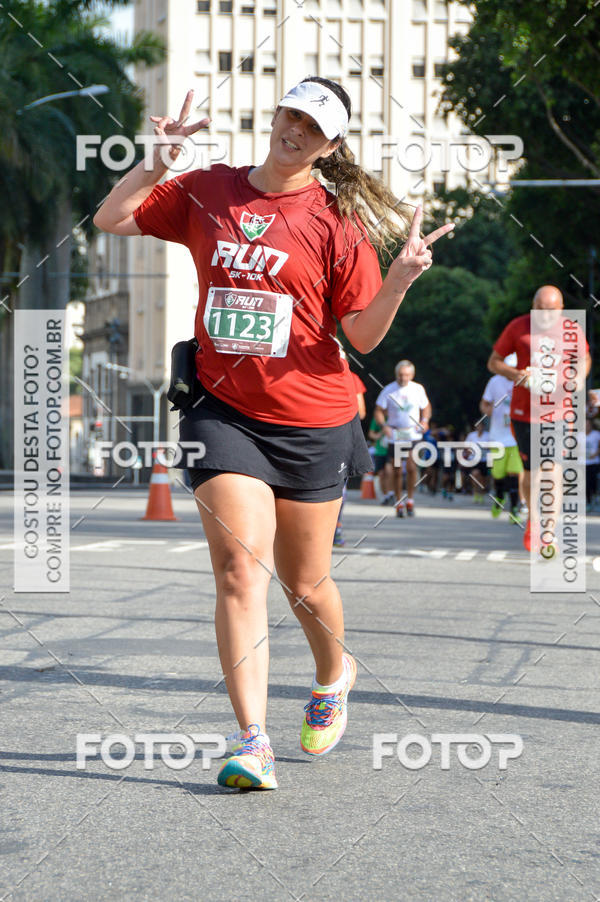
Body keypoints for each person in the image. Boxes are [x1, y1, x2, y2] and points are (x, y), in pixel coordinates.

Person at [93, 78, 453, 790]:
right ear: (276, 114)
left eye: (314, 127)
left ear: (332, 145)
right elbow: (113, 216)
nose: (296, 131)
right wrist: (157, 160)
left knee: (305, 583)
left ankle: (332, 672)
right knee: (236, 566)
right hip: (221, 410)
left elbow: (362, 336)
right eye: (292, 114)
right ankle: (250, 739)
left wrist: (401, 279)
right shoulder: (208, 190)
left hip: (313, 419)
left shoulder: (337, 220)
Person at [488, 285, 591, 550]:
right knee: (531, 474)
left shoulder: (571, 329)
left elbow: (584, 358)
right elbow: (494, 362)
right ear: (533, 307)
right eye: (540, 310)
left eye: (551, 311)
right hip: (524, 412)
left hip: (557, 411)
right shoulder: (518, 327)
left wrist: (578, 377)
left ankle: (547, 530)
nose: (544, 316)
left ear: (560, 309)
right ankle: (534, 519)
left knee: (551, 469)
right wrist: (517, 375)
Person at [374, 360, 432, 517]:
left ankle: (410, 500)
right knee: (397, 470)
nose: (403, 378)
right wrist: (384, 426)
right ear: (396, 374)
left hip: (413, 433)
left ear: (411, 375)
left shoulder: (418, 389)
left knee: (412, 467)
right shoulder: (389, 390)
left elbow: (426, 407)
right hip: (396, 434)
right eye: (400, 375)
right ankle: (399, 502)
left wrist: (425, 421)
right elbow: (378, 410)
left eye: (406, 375)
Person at [480, 356, 523, 522]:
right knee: (498, 474)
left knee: (515, 473)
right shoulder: (494, 382)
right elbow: (484, 403)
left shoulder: (523, 380)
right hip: (497, 436)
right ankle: (499, 498)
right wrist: (487, 410)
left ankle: (514, 509)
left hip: (516, 436)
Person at [334, 369, 367, 546]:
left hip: (341, 435)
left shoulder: (352, 378)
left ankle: (336, 528)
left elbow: (360, 412)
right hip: (310, 434)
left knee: (340, 485)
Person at [464, 420, 491, 503]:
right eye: (478, 426)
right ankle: (475, 493)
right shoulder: (471, 435)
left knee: (483, 479)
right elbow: (466, 446)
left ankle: (481, 494)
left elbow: (492, 446)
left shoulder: (488, 436)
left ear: (483, 427)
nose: (480, 427)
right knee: (475, 474)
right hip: (474, 459)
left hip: (484, 460)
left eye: (481, 426)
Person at [585, 418, 600, 510]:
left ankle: (594, 496)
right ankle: (588, 501)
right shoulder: (579, 435)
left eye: (588, 424)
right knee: (586, 483)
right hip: (583, 462)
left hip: (594, 462)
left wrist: (595, 454)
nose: (586, 426)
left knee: (593, 482)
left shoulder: (596, 434)